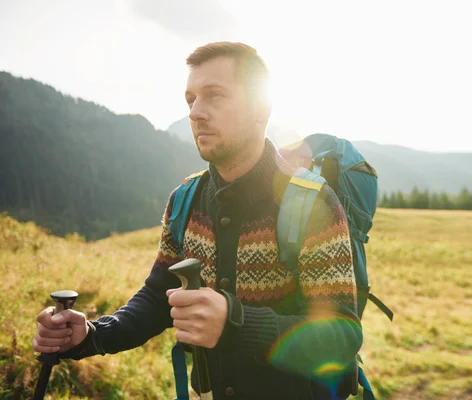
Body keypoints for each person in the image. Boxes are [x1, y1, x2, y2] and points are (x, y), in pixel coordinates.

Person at [32, 42, 363, 400]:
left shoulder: (312, 203)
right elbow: (160, 297)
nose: (195, 112)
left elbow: (342, 337)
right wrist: (92, 335)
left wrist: (235, 321)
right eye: (191, 99)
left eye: (214, 96)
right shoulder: (184, 200)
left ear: (261, 109)